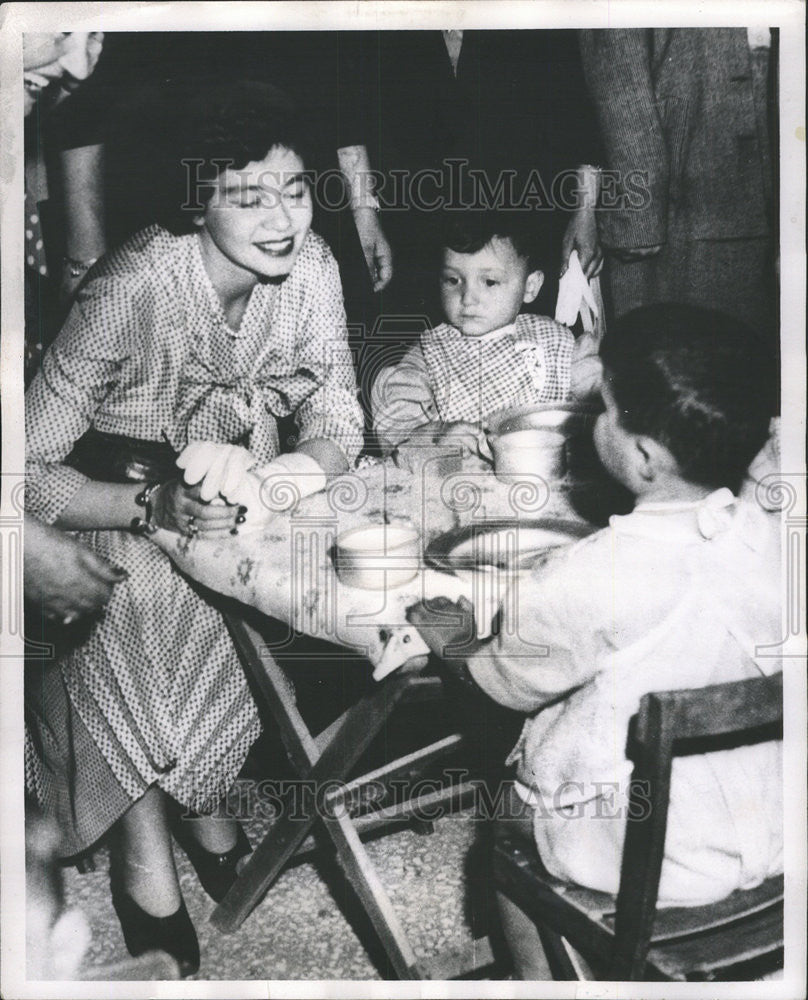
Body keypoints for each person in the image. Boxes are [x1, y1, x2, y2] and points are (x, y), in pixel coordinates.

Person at [25, 80, 364, 977]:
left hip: (241, 488)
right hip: (109, 497)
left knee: (271, 577)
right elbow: (21, 469)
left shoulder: (317, 269)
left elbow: (340, 419)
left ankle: (204, 791)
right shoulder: (133, 285)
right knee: (142, 597)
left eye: (295, 190)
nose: (282, 217)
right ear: (194, 197)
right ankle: (146, 847)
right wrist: (149, 506)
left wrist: (288, 474)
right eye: (246, 196)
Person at [408, 304, 782, 978]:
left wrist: (454, 638)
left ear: (642, 457)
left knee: (507, 828)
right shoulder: (772, 536)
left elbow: (499, 685)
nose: (592, 418)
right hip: (780, 819)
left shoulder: (591, 573)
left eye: (605, 409)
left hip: (660, 850)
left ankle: (541, 978)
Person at [578, 29, 778, 341]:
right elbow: (616, 54)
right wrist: (639, 210)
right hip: (682, 190)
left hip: (759, 171)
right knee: (678, 358)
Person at [370, 211, 598, 457]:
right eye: (453, 280)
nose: (468, 298)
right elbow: (396, 418)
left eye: (489, 282)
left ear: (530, 287)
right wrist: (435, 434)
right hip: (466, 482)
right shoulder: (429, 355)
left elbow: (600, 394)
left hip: (545, 472)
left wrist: (592, 388)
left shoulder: (555, 341)